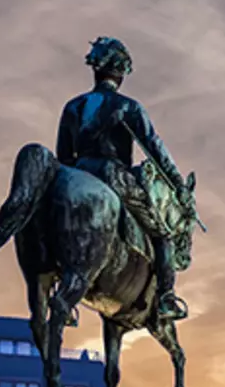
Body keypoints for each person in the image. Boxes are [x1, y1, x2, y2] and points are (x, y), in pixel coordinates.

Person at [55, 37, 193, 321]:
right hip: (113, 175)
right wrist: (179, 185)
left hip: (76, 174)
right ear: (120, 72)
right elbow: (155, 150)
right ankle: (166, 297)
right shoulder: (129, 107)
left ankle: (61, 287)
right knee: (162, 233)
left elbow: (63, 156)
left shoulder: (73, 107)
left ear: (95, 70)